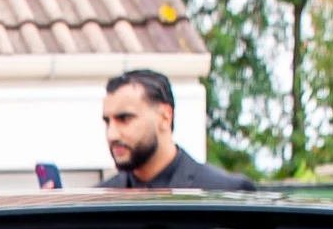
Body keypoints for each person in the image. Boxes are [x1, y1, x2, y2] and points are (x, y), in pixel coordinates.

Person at [99, 69, 255, 189]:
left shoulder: (224, 192)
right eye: (107, 122)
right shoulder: (97, 203)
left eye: (124, 119)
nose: (112, 135)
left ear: (165, 117)